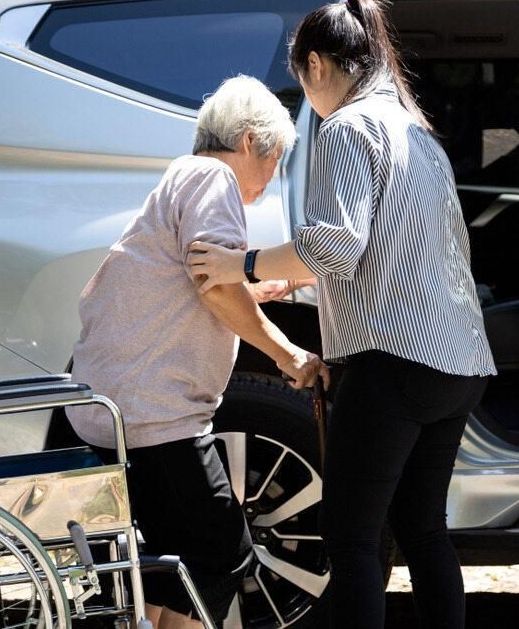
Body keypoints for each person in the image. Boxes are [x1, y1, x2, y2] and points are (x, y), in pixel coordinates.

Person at [188, 0, 496, 629]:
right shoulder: (416, 130)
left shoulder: (348, 128)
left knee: (351, 537)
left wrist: (239, 264)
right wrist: (290, 287)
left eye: (301, 80)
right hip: (459, 360)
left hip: (392, 362)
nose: (306, 99)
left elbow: (337, 242)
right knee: (422, 529)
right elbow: (392, 253)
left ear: (318, 65)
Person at [67, 75, 329, 629]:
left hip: (125, 406)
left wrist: (257, 289)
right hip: (156, 413)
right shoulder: (214, 178)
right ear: (251, 141)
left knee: (176, 563)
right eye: (276, 159)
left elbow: (190, 280)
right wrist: (289, 355)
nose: (272, 177)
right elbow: (215, 288)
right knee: (221, 553)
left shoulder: (184, 175)